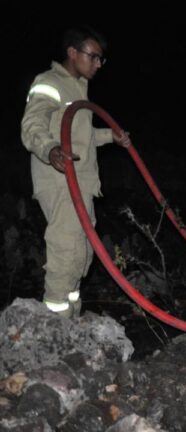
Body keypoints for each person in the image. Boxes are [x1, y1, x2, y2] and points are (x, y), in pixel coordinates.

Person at [21, 27, 131, 318]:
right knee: (66, 252)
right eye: (93, 56)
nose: (98, 64)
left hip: (81, 184)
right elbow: (32, 126)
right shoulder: (49, 82)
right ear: (72, 52)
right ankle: (54, 327)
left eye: (101, 60)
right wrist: (50, 149)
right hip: (59, 181)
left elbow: (81, 136)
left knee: (82, 256)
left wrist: (112, 136)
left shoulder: (78, 89)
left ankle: (72, 320)